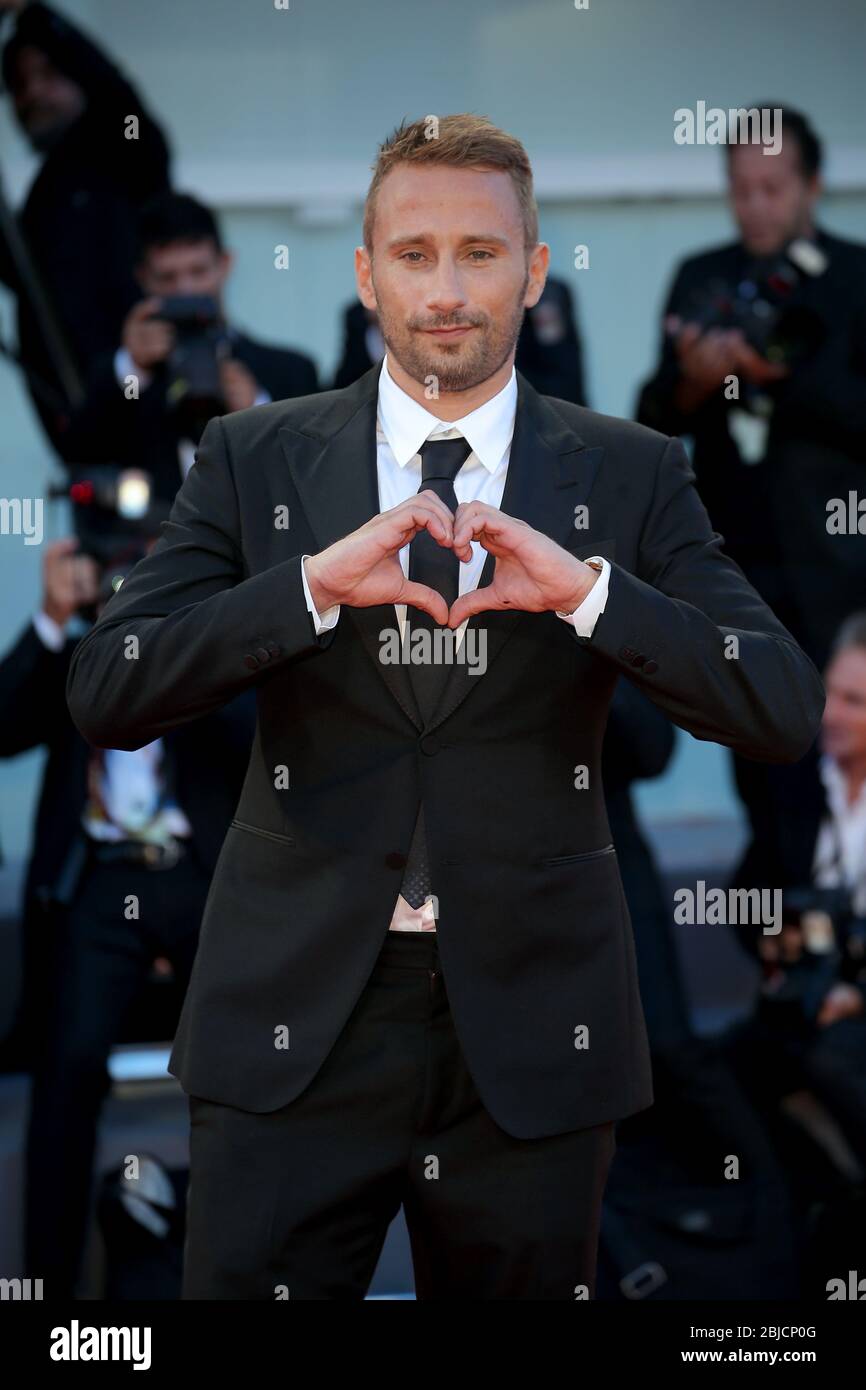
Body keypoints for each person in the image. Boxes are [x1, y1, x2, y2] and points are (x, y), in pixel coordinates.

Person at [65, 113, 824, 1301]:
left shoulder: (628, 471)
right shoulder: (250, 456)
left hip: (533, 1033)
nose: (447, 287)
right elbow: (109, 686)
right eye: (413, 253)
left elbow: (777, 703)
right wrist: (308, 588)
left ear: (532, 268)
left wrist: (588, 597)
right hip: (293, 1025)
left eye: (480, 252)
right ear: (366, 275)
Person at [0, 536, 256, 1298]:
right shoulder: (72, 655)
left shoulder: (199, 644)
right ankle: (46, 1290)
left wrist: (187, 628)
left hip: (201, 873)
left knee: (253, 1058)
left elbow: (252, 737)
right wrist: (55, 616)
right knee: (68, 1062)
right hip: (102, 883)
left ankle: (252, 1267)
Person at [635, 100, 866, 904]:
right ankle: (782, 967)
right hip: (732, 566)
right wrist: (701, 379)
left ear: (812, 185)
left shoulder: (855, 277)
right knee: (757, 760)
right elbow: (654, 415)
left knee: (839, 760)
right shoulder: (703, 276)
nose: (757, 205)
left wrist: (778, 376)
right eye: (742, 189)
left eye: (773, 187)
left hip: (839, 572)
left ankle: (834, 962)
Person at [60, 191, 320, 504]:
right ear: (143, 278)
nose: (185, 289)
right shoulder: (119, 376)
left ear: (224, 265)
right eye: (168, 277)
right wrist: (133, 366)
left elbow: (318, 479)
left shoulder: (292, 372)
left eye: (198, 272)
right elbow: (80, 455)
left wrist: (256, 410)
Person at [722, 612, 866, 1173]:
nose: (831, 713)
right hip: (800, 1005)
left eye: (854, 701)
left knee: (834, 1062)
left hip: (850, 1017)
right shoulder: (795, 783)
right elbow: (745, 893)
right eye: (828, 691)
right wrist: (776, 939)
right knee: (720, 1074)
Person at [0, 0, 171, 459]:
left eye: (49, 75)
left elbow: (114, 93)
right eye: (19, 84)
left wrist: (30, 13)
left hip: (150, 421)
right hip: (79, 424)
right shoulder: (42, 197)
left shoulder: (126, 154)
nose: (34, 94)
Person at [334, 273, 588, 403]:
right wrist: (382, 331)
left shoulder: (544, 297)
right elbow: (345, 390)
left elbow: (563, 385)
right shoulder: (363, 314)